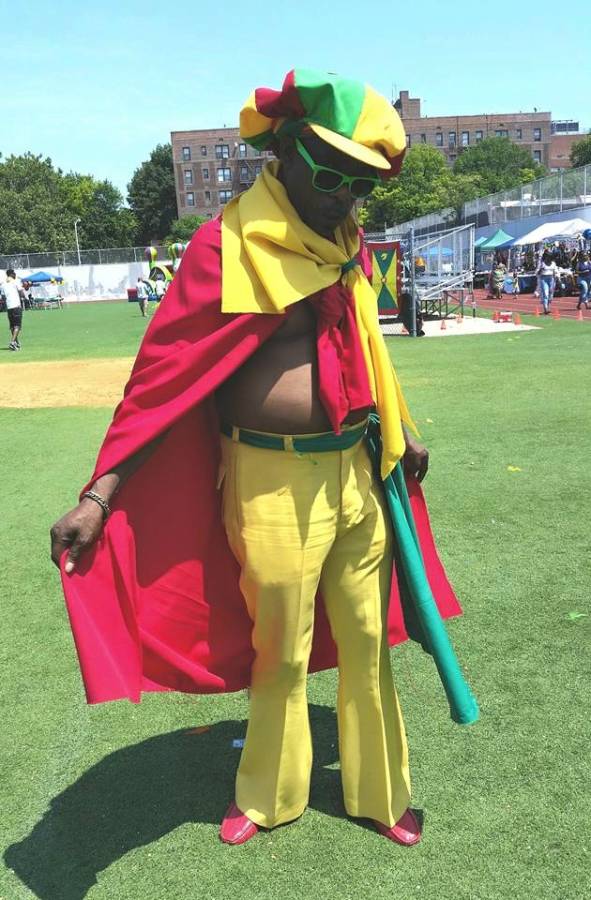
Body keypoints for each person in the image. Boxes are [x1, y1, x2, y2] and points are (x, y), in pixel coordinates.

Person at [50, 70, 476, 849]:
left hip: (357, 469)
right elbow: (162, 377)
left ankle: (380, 793)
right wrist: (99, 494)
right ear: (281, 152)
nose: (345, 196)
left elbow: (362, 347)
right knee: (279, 646)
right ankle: (269, 795)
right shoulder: (226, 247)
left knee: (365, 643)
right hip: (269, 478)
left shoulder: (340, 240)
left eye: (360, 184)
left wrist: (399, 424)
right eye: (331, 174)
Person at [1, 269, 25, 350]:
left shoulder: (3, 284)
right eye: (14, 273)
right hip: (16, 306)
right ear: (12, 274)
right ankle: (12, 342)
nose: (15, 274)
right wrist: (23, 296)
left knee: (12, 326)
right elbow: (21, 292)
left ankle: (16, 343)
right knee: (17, 326)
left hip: (9, 307)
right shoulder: (16, 281)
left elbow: (3, 297)